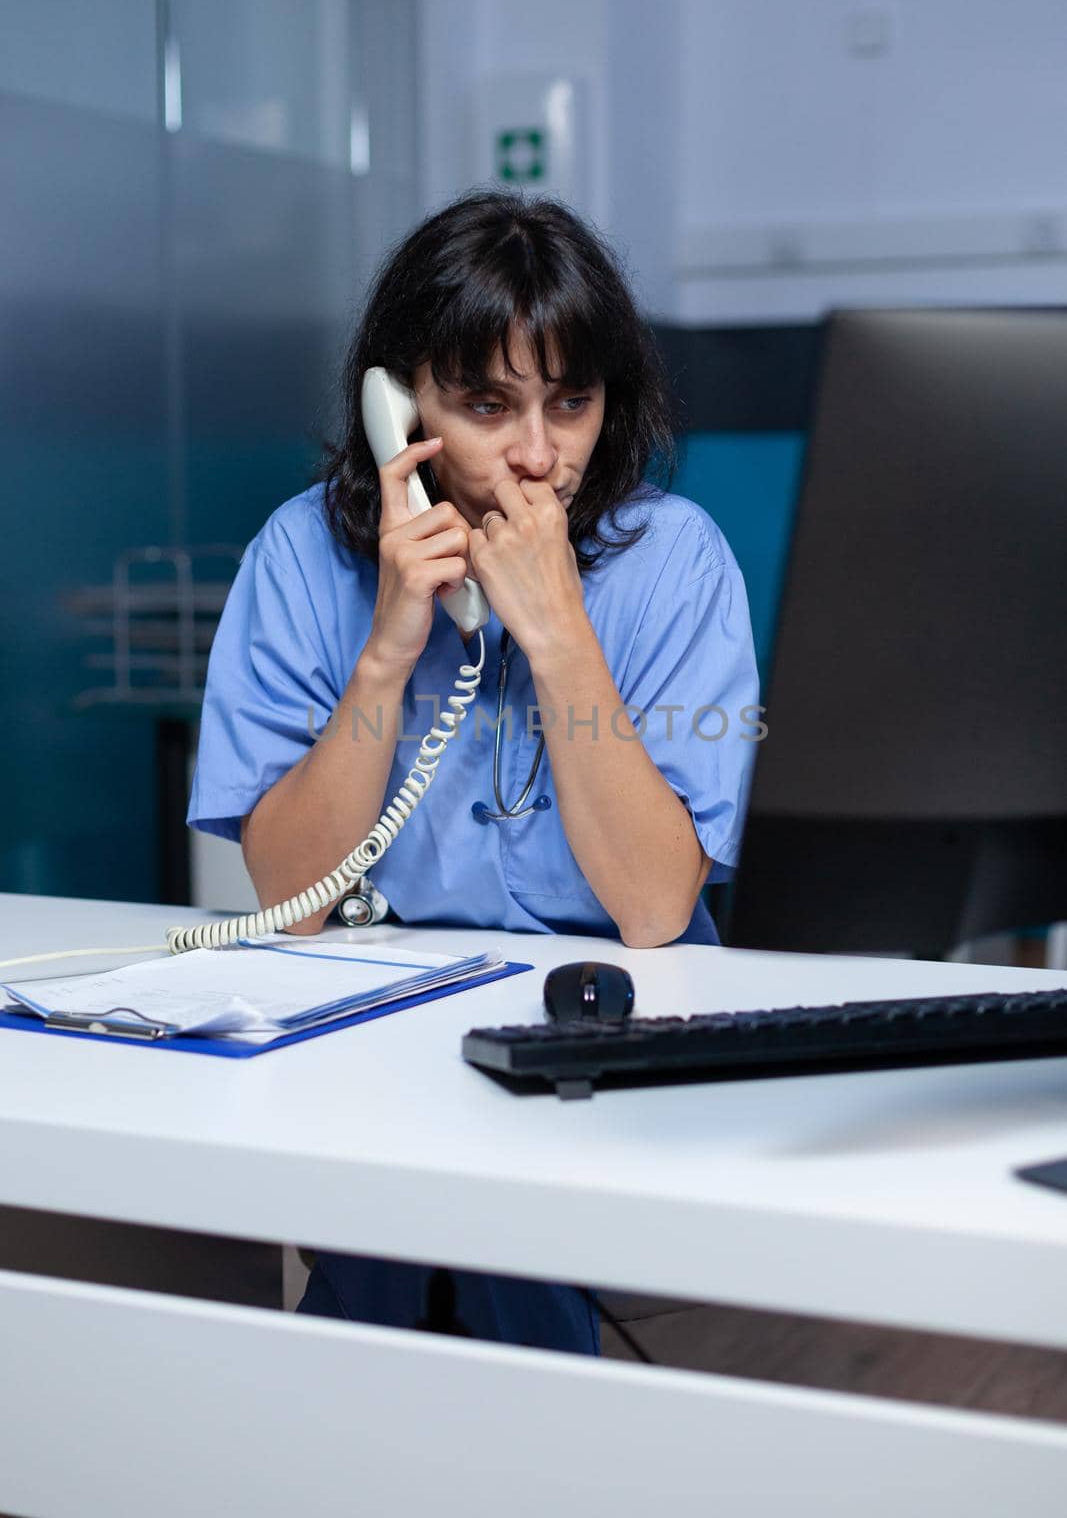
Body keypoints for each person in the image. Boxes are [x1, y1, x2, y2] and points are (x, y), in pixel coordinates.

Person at [188, 188, 759, 1355]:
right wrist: (390, 652)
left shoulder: (673, 563)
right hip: (381, 1036)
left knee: (494, 1284)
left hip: (605, 1035)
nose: (539, 453)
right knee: (383, 1286)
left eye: (571, 402)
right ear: (400, 405)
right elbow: (288, 901)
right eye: (487, 404)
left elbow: (654, 906)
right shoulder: (302, 558)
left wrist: (558, 637)